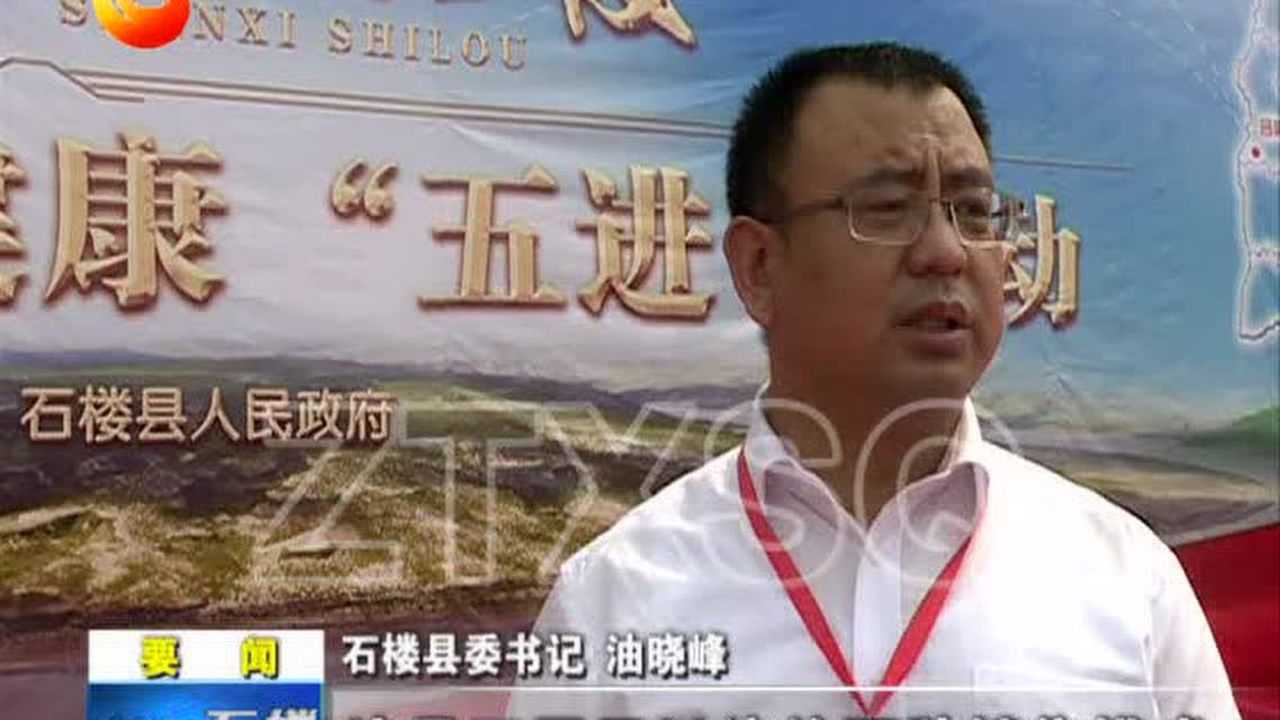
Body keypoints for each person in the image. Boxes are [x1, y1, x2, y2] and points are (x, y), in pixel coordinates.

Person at [507, 42, 1239, 720]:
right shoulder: (615, 600)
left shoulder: (1126, 581)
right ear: (759, 267)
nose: (946, 252)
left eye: (975, 211)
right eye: (887, 209)